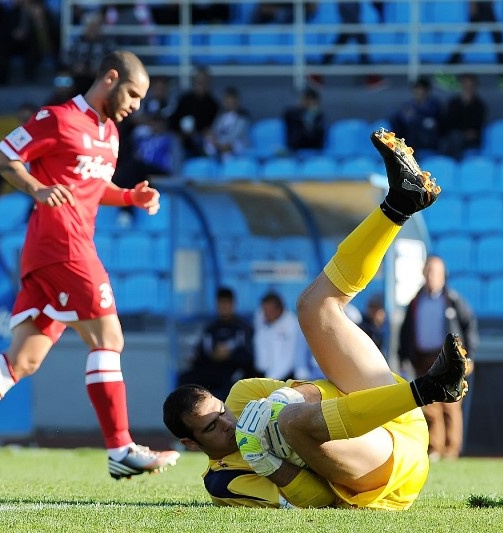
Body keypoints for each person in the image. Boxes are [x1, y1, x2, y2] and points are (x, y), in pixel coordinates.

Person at [163, 128, 469, 509]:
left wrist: (286, 394)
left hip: (394, 419)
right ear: (191, 444)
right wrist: (268, 463)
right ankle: (428, 389)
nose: (228, 422)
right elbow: (320, 502)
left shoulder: (241, 397)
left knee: (312, 306)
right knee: (290, 424)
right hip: (384, 479)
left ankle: (400, 203)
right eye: (212, 427)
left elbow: (320, 389)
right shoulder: (223, 480)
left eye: (221, 412)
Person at [0, 50, 180, 480]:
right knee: (108, 336)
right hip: (63, 245)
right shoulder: (57, 118)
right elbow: (3, 157)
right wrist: (37, 188)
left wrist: (131, 196)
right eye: (132, 93)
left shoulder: (110, 132)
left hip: (53, 253)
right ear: (110, 78)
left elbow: (93, 186)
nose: (136, 105)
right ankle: (120, 448)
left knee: (24, 359)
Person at [398, 255, 478, 461]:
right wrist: (404, 356)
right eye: (428, 271)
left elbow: (469, 326)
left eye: (436, 272)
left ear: (443, 276)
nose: (431, 276)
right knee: (429, 405)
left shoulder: (453, 300)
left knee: (451, 403)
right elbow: (405, 331)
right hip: (423, 358)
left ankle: (452, 449)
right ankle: (435, 447)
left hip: (449, 359)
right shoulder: (415, 302)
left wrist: (470, 356)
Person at [178, 287, 256, 402]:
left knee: (232, 382)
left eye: (227, 303)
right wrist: (213, 355)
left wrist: (229, 355)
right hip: (213, 367)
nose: (223, 307)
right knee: (185, 379)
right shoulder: (211, 328)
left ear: (233, 304)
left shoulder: (243, 328)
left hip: (234, 368)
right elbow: (200, 353)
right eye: (221, 303)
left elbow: (249, 356)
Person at [168, 67, 220, 159]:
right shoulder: (184, 100)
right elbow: (173, 121)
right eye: (199, 81)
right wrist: (181, 133)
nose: (201, 84)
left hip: (201, 139)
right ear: (194, 81)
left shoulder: (213, 104)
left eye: (204, 81)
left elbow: (215, 126)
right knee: (173, 143)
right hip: (183, 138)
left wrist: (203, 132)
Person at [253, 292, 305, 381]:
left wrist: (270, 379)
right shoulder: (261, 317)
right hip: (262, 374)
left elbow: (288, 359)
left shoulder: (292, 325)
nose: (265, 314)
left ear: (279, 310)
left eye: (268, 311)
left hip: (283, 376)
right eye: (264, 310)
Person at [389, 78, 443, 156]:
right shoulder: (408, 106)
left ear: (427, 91)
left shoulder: (435, 106)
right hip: (411, 138)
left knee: (415, 125)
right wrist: (406, 117)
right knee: (395, 120)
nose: (418, 93)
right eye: (416, 90)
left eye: (421, 90)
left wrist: (417, 118)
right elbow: (401, 120)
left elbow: (434, 124)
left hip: (429, 138)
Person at [441, 73, 487, 160]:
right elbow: (448, 123)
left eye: (470, 86)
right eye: (466, 86)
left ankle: (456, 164)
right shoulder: (453, 103)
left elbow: (477, 126)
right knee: (453, 137)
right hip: (454, 135)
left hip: (472, 139)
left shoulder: (479, 105)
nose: (468, 88)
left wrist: (468, 106)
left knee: (457, 138)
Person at [204, 86, 251, 161]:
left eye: (232, 101)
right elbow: (214, 130)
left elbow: (236, 134)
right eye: (227, 100)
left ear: (237, 101)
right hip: (219, 144)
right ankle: (209, 164)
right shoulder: (220, 117)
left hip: (235, 146)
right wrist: (212, 137)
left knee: (232, 147)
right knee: (209, 143)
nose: (229, 103)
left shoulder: (243, 117)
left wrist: (222, 143)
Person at [283, 88, 326, 153]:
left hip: (314, 148)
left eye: (311, 100)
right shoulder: (292, 114)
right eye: (306, 99)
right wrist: (304, 115)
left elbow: (318, 139)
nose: (308, 103)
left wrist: (310, 117)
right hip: (295, 147)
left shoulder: (319, 116)